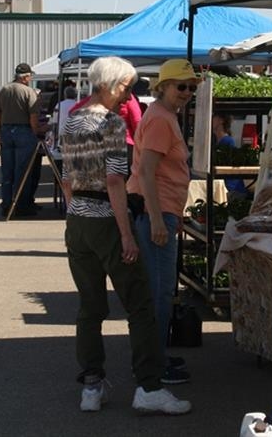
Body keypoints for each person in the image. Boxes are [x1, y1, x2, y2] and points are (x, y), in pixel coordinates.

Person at [60, 56, 191, 415]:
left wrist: (74, 214)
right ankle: (149, 385)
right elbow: (115, 181)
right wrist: (127, 234)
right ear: (113, 84)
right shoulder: (112, 123)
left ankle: (91, 383)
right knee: (141, 303)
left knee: (90, 306)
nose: (127, 94)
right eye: (126, 86)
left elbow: (68, 178)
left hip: (78, 221)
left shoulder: (72, 120)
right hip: (105, 218)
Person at [126, 59, 200, 385]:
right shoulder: (159, 119)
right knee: (158, 292)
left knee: (159, 289)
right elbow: (146, 173)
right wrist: (158, 219)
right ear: (163, 86)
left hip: (163, 212)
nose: (186, 92)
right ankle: (152, 368)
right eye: (180, 86)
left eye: (191, 87)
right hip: (156, 213)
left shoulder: (163, 115)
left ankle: (155, 358)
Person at [0, 63, 40, 218]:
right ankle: (22, 205)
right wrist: (37, 132)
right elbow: (33, 118)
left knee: (7, 171)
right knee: (23, 171)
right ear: (26, 77)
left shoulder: (3, 90)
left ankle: (6, 205)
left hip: (6, 131)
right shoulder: (29, 92)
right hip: (24, 131)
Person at [211, 113, 248, 197]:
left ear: (221, 120)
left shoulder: (228, 142)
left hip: (232, 190)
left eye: (213, 116)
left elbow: (230, 169)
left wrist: (227, 190)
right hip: (222, 188)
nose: (210, 119)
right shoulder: (216, 142)